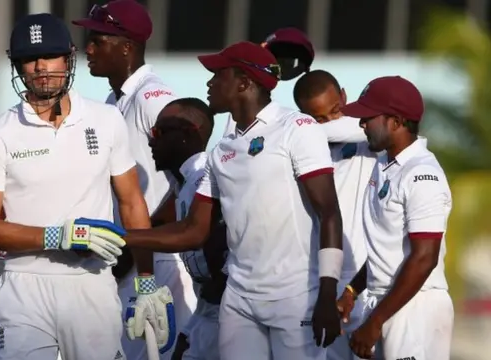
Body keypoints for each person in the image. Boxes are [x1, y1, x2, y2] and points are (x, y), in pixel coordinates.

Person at [0, 13, 173, 360]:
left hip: (90, 282)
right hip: (23, 285)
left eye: (49, 56)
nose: (40, 67)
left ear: (68, 59)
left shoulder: (105, 120)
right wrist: (59, 236)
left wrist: (147, 281)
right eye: (30, 60)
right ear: (18, 67)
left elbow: (132, 203)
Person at [123, 41, 344, 360]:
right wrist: (121, 236)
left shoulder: (296, 128)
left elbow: (330, 214)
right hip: (239, 300)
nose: (209, 83)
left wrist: (328, 292)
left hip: (295, 296)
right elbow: (193, 230)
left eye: (217, 75)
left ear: (244, 82)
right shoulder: (222, 150)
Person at [73, 2, 197, 358]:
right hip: (131, 255)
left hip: (156, 261)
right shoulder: (115, 100)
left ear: (126, 46)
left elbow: (194, 177)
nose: (89, 49)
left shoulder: (151, 97)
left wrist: (143, 238)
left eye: (98, 40)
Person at [336, 76, 454, 360]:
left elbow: (424, 257)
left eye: (368, 117)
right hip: (386, 302)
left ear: (397, 121)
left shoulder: (422, 174)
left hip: (416, 307)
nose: (362, 124)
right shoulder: (386, 167)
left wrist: (376, 321)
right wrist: (353, 289)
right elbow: (385, 249)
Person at [294, 70, 376, 360]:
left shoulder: (368, 134)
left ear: (343, 95)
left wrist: (305, 129)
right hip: (325, 283)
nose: (331, 122)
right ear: (304, 115)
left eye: (335, 111)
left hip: (368, 281)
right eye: (319, 118)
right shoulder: (303, 151)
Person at [148, 97, 227, 360]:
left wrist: (122, 238)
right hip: (205, 313)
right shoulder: (181, 180)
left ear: (187, 134)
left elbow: (198, 236)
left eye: (158, 132)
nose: (151, 141)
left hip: (234, 316)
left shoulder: (210, 176)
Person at [222, 27, 314, 138]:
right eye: (275, 56)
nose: (282, 63)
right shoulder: (248, 93)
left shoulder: (312, 93)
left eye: (288, 59)